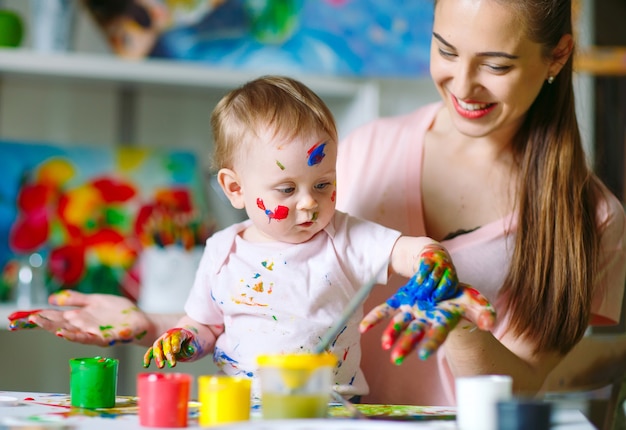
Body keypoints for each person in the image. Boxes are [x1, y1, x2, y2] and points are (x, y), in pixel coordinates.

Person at [9, 0, 626, 407]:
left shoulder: (591, 221)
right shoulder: (353, 153)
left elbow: (525, 384)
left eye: (494, 64)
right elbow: (282, 300)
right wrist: (157, 324)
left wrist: (451, 321)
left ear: (557, 56)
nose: (461, 86)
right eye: (444, 51)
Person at [137, 75, 496, 399]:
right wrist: (183, 341)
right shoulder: (222, 251)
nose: (309, 202)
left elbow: (402, 249)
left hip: (332, 407)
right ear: (235, 188)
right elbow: (205, 326)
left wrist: (428, 256)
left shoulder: (344, 237)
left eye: (323, 184)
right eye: (287, 189)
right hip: (240, 408)